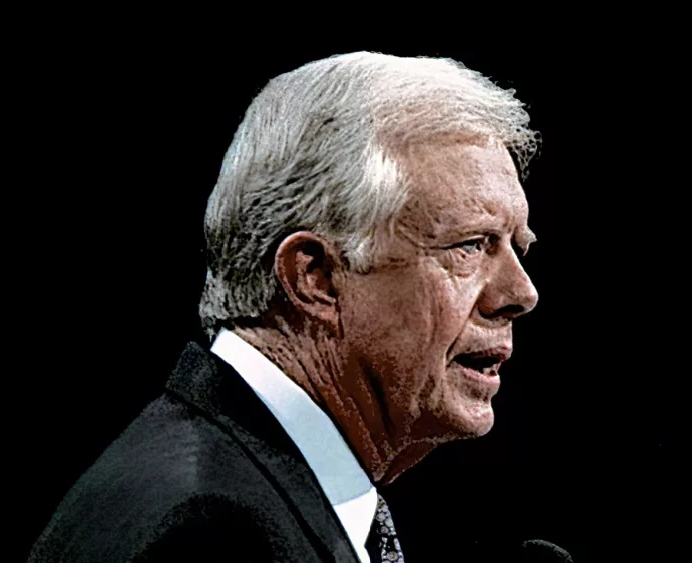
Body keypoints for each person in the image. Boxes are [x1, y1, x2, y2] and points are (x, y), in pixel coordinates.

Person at [28, 51, 541, 563]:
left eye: (517, 247)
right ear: (315, 277)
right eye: (471, 246)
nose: (521, 294)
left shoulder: (239, 484)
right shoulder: (208, 533)